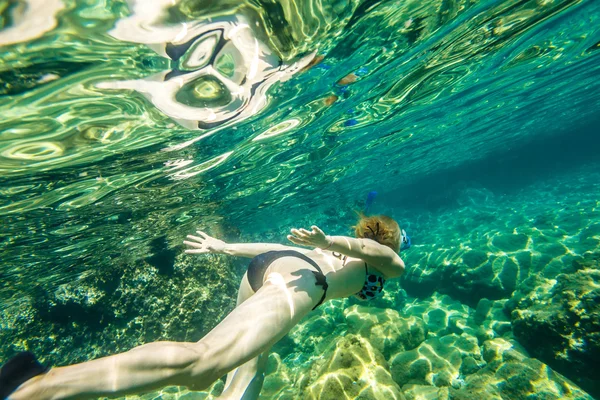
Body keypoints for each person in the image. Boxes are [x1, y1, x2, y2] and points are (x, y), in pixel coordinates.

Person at [1, 214, 405, 400]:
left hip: (276, 268)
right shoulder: (386, 263)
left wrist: (225, 247)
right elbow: (370, 248)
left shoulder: (351, 254)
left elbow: (278, 250)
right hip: (301, 282)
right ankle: (39, 385)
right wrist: (332, 243)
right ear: (393, 241)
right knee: (203, 364)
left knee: (251, 365)